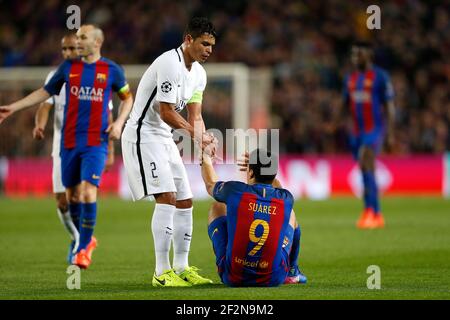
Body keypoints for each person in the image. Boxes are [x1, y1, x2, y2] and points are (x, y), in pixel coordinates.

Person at [0, 24, 134, 269]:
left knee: (87, 192)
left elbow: (127, 98)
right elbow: (43, 94)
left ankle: (82, 249)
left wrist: (119, 125)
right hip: (68, 143)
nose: (78, 42)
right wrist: (13, 107)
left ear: (96, 43)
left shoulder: (112, 70)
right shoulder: (68, 68)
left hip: (96, 143)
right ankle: (85, 240)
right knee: (71, 198)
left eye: (82, 38)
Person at [121, 17, 216, 287]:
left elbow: (195, 115)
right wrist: (196, 134)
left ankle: (182, 267)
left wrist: (203, 144)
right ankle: (161, 273)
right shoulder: (169, 63)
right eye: (204, 43)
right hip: (142, 134)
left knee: (185, 200)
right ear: (188, 40)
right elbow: (166, 112)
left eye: (212, 45)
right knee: (167, 196)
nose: (208, 50)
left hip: (164, 138)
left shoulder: (199, 74)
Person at [31, 33, 115, 264]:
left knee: (82, 194)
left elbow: (107, 113)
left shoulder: (96, 75)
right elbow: (45, 105)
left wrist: (110, 149)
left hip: (89, 143)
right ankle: (79, 238)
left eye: (71, 49)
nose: (67, 53)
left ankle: (83, 244)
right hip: (62, 145)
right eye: (64, 49)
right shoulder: (57, 74)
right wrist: (39, 125)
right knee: (62, 201)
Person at [200, 148, 307, 287]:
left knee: (217, 206)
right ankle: (292, 272)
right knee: (290, 213)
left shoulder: (235, 190)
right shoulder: (286, 198)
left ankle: (223, 261)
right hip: (274, 278)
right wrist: (264, 169)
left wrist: (205, 157)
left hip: (233, 277)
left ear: (250, 172)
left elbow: (210, 184)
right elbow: (277, 188)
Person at [343, 41, 396, 229]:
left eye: (359, 54)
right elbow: (345, 104)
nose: (355, 57)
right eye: (353, 54)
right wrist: (333, 124)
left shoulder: (380, 77)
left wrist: (390, 133)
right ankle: (373, 212)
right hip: (356, 132)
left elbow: (389, 106)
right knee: (365, 170)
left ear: (369, 54)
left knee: (367, 161)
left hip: (374, 130)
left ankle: (372, 212)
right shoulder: (350, 78)